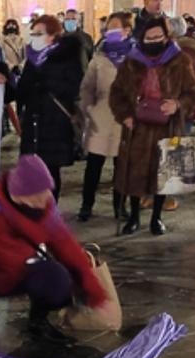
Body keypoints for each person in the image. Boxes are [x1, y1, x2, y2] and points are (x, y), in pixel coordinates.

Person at [0, 154, 110, 357]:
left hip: (18, 270)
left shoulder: (45, 210)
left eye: (47, 192)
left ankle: (38, 322)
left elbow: (67, 247)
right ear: (19, 194)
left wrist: (92, 289)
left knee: (59, 281)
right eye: (38, 195)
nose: (46, 199)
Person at [109, 16, 195, 236]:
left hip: (168, 125)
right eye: (149, 38)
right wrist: (125, 115)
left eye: (158, 36)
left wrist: (177, 104)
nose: (153, 41)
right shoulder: (132, 61)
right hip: (137, 126)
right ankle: (134, 217)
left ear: (167, 36)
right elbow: (117, 92)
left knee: (165, 174)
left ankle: (157, 217)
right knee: (134, 173)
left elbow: (193, 92)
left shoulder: (180, 60)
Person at [16, 15, 83, 199]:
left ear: (53, 35)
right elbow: (21, 91)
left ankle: (50, 208)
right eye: (33, 33)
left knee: (50, 170)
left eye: (39, 33)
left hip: (54, 121)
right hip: (33, 121)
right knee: (30, 169)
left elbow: (73, 86)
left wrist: (45, 82)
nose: (34, 37)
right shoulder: (32, 59)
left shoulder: (67, 57)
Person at [78, 14, 129, 222]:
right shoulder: (99, 57)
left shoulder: (136, 56)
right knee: (94, 165)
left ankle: (120, 205)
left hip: (126, 118)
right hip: (100, 117)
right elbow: (87, 87)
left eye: (116, 28)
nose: (111, 32)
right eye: (109, 28)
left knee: (122, 167)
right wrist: (87, 108)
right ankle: (86, 204)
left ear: (127, 30)